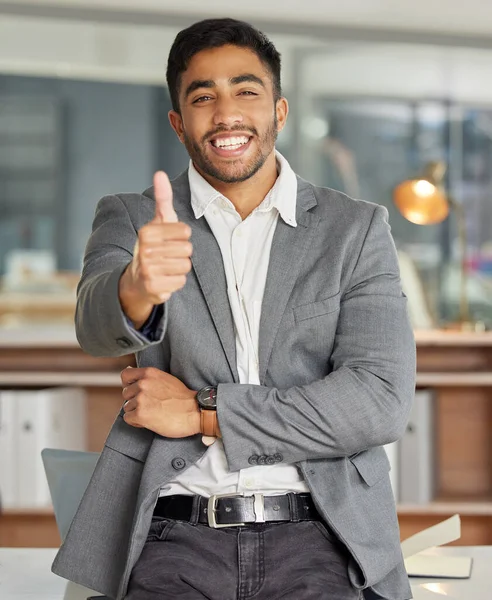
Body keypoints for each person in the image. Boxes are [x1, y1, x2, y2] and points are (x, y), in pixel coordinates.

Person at [52, 17, 416, 600]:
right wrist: (138, 286)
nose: (226, 114)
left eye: (246, 91)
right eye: (203, 97)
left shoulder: (355, 229)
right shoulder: (134, 218)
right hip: (173, 532)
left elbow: (378, 403)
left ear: (279, 111)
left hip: (321, 532)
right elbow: (94, 327)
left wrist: (203, 415)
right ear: (178, 122)